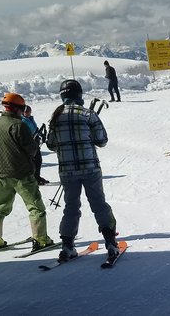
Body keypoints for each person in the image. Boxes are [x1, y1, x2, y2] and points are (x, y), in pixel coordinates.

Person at [46, 79, 118, 261]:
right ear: (79, 94)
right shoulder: (88, 114)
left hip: (67, 170)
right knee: (99, 204)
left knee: (71, 206)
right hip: (90, 167)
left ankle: (68, 245)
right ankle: (110, 242)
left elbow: (51, 144)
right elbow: (102, 141)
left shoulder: (56, 117)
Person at [0, 93, 53, 252]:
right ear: (19, 109)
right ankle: (41, 238)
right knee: (36, 207)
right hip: (21, 173)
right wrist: (35, 143)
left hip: (1, 173)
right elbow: (31, 150)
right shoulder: (18, 125)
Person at [22, 105, 49, 185]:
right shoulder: (22, 120)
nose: (28, 113)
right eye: (26, 112)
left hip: (35, 142)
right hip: (29, 143)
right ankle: (34, 178)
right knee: (35, 161)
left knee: (38, 160)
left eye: (29, 111)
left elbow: (35, 129)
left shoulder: (30, 119)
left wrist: (41, 134)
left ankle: (37, 176)